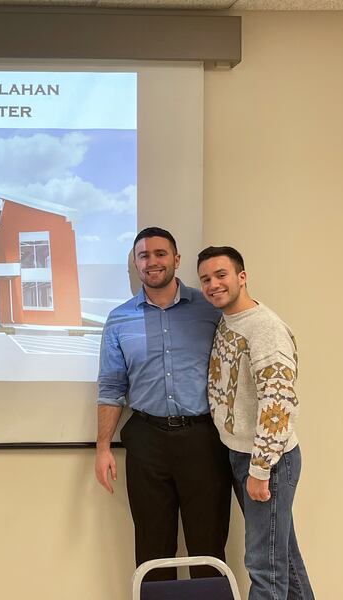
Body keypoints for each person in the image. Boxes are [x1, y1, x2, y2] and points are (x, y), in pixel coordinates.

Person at [94, 227, 232, 581]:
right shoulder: (119, 319)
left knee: (209, 547)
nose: (152, 262)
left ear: (176, 260)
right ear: (136, 264)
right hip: (146, 441)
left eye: (160, 254)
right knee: (153, 551)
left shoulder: (209, 309)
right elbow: (111, 386)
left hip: (203, 439)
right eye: (144, 256)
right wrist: (103, 446)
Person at [197, 246, 314, 600]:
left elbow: (278, 403)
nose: (213, 284)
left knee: (264, 568)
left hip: (268, 461)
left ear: (241, 276)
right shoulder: (230, 320)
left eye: (221, 275)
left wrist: (261, 470)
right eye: (206, 279)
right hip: (242, 455)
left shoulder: (265, 328)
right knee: (284, 561)